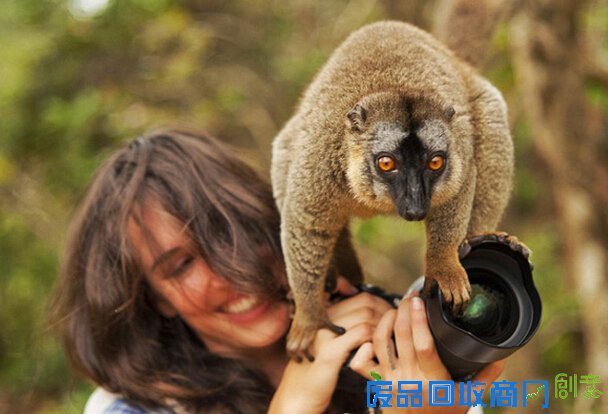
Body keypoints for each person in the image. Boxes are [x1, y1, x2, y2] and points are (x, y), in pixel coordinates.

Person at [52, 130, 505, 414]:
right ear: (157, 299)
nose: (231, 272)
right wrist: (294, 403)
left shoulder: (392, 355)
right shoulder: (131, 410)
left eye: (238, 232)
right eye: (183, 264)